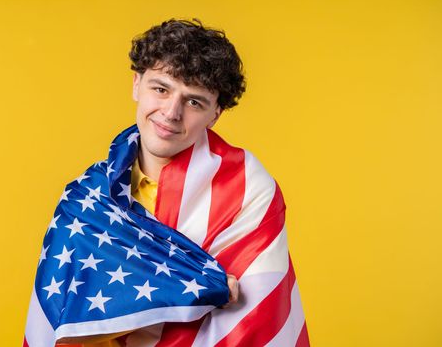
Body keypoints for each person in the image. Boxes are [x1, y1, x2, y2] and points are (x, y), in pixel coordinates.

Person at [24, 19, 309, 347]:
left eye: (194, 102)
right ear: (136, 85)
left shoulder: (247, 189)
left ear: (215, 114)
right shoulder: (86, 196)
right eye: (160, 89)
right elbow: (63, 320)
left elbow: (255, 314)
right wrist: (199, 286)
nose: (171, 112)